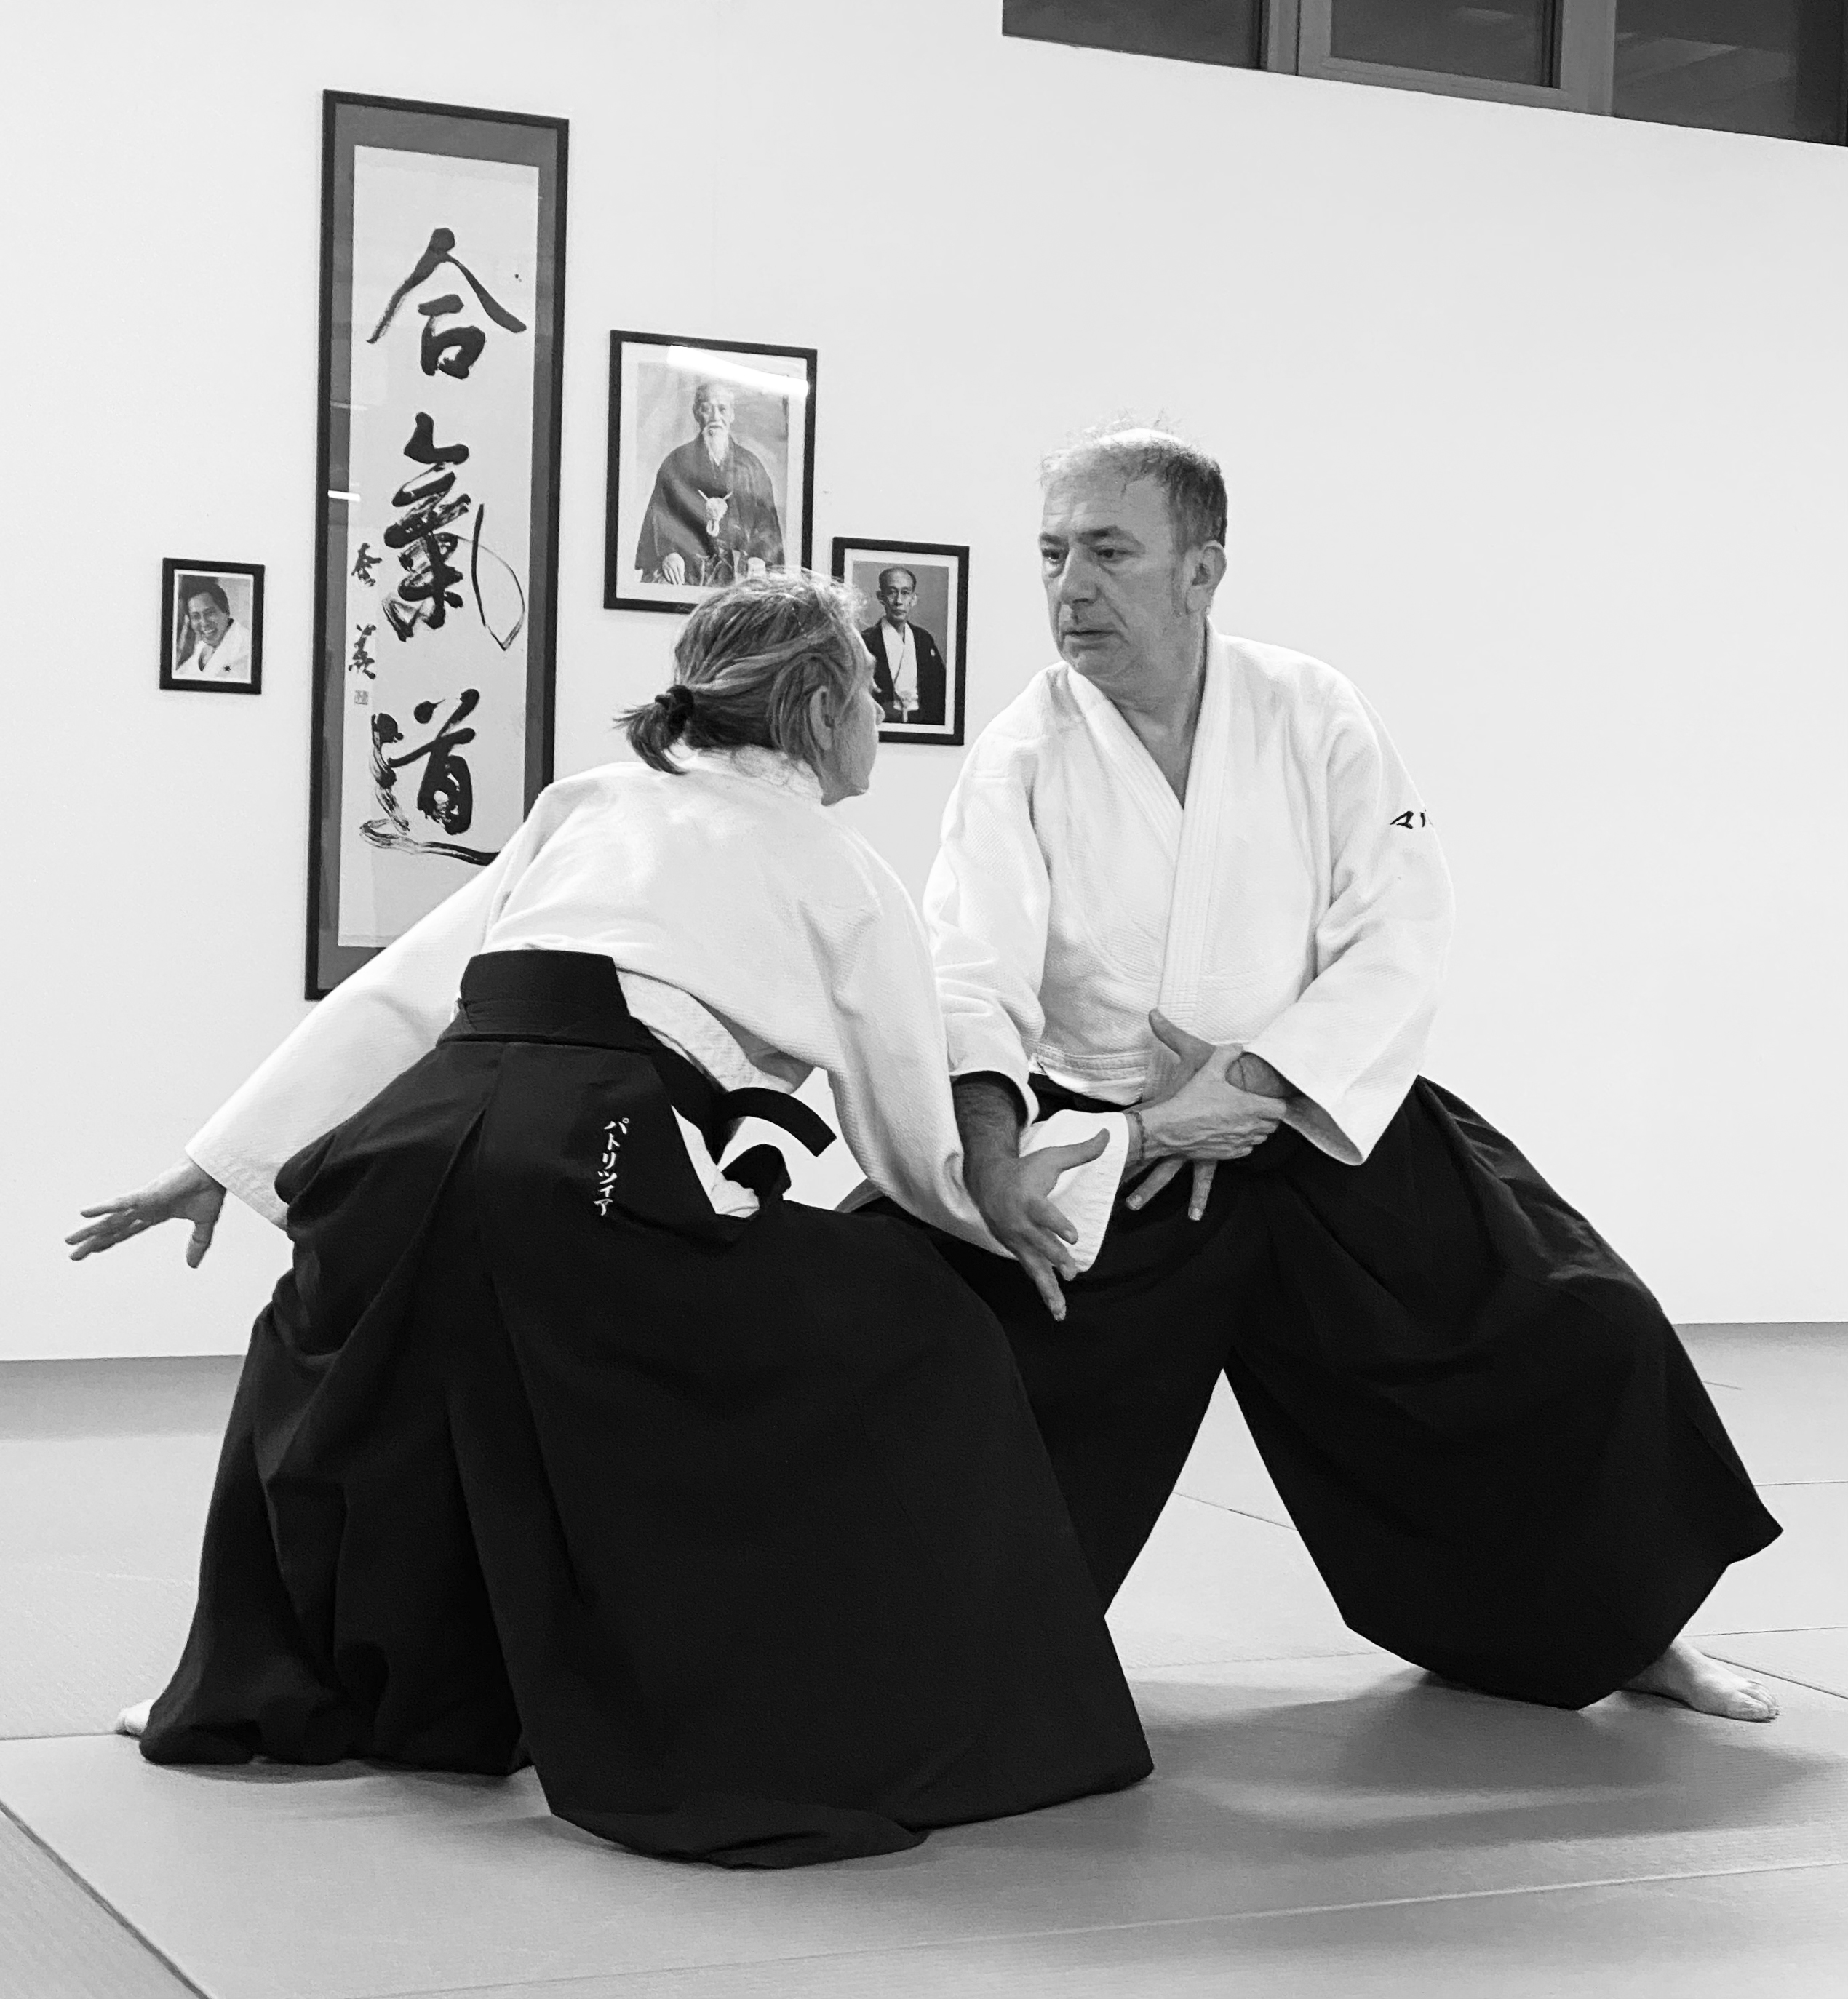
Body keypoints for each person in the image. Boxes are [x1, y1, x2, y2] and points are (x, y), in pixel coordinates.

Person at [67, 575, 1147, 1870]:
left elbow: (405, 994)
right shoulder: (842, 869)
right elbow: (903, 1119)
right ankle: (838, 1711)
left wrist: (221, 1159)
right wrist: (992, 1210)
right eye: (870, 689)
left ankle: (296, 1685)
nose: (878, 716)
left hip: (413, 1142)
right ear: (820, 707)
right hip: (597, 1157)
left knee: (351, 1364)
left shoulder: (586, 802)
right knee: (925, 1332)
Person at [899, 428, 1783, 1724]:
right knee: (943, 1360)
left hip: (1316, 1111)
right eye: (1050, 554)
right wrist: (1011, 1145)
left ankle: (1627, 1635)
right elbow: (968, 967)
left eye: (1108, 552)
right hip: (1125, 1137)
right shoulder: (1024, 749)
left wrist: (1255, 1078)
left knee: (1583, 1327)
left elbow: (1401, 920)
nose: (1069, 588)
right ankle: (921, 1678)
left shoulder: (1313, 710)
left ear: (1201, 570)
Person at [633, 380, 784, 586]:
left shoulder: (752, 467)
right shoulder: (676, 462)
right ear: (696, 413)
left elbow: (767, 524)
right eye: (707, 409)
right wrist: (669, 553)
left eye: (722, 409)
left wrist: (759, 557)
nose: (715, 418)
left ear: (732, 415)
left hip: (738, 570)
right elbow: (660, 516)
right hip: (688, 569)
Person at [862, 566, 947, 727]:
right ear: (881, 597)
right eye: (892, 592)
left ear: (913, 599)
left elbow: (940, 690)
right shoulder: (867, 641)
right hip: (883, 724)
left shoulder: (923, 639)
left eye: (905, 593)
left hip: (923, 725)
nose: (898, 601)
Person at [172, 578, 251, 680]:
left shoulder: (246, 648)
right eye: (196, 616)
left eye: (210, 613)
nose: (204, 623)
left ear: (226, 611)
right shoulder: (202, 647)